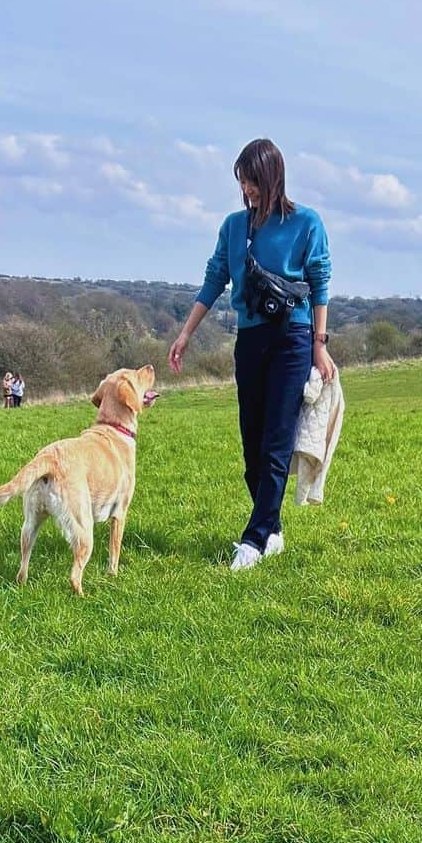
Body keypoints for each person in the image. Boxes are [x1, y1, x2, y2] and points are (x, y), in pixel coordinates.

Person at [168, 137, 334, 571]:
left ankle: (254, 540)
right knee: (252, 447)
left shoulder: (306, 223)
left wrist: (319, 345)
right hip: (251, 339)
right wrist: (186, 334)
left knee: (277, 442)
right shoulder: (233, 227)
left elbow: (320, 281)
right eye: (242, 181)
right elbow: (214, 278)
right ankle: (273, 529)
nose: (247, 189)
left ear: (272, 177)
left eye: (253, 180)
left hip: (292, 339)